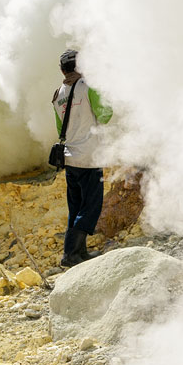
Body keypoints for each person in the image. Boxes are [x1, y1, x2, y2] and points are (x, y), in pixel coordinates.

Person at [52, 49, 112, 267]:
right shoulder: (89, 87)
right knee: (91, 205)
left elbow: (60, 127)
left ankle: (79, 253)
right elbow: (105, 116)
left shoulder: (58, 93)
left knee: (75, 206)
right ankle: (71, 253)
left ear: (62, 69)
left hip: (71, 158)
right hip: (89, 157)